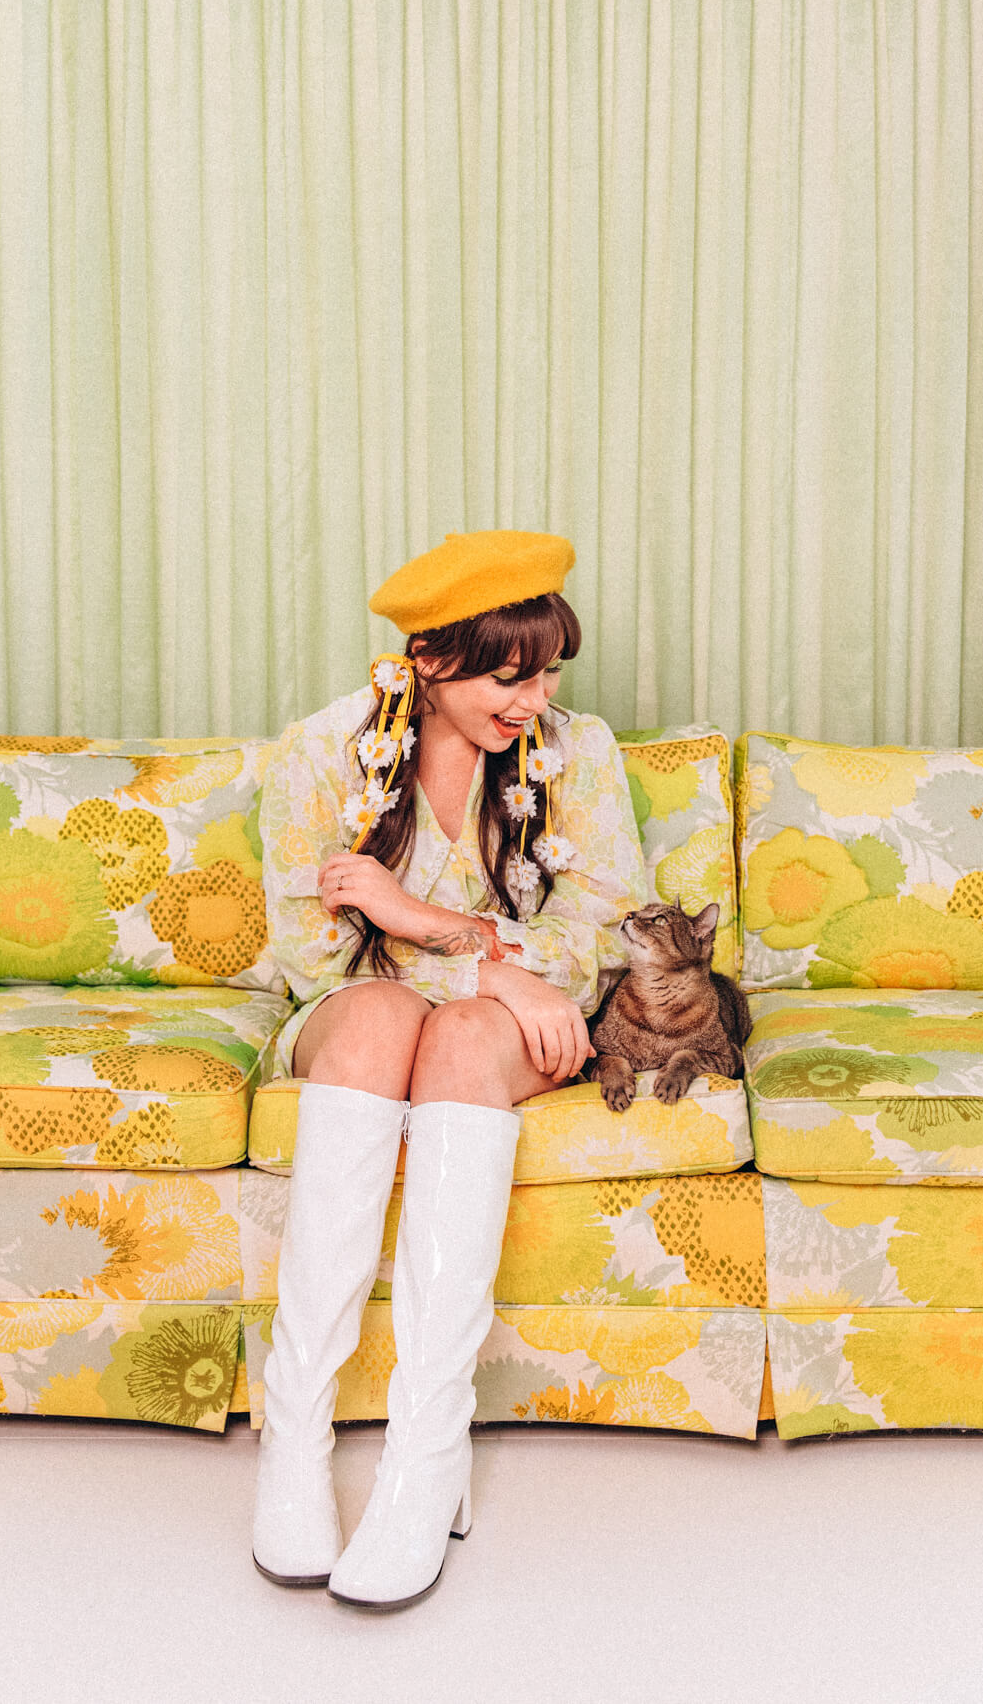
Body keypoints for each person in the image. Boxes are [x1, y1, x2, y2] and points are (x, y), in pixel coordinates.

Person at [251, 529, 647, 1609]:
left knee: (463, 1037)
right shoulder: (322, 752)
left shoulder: (583, 751)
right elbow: (313, 953)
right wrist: (492, 966)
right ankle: (294, 1441)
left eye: (549, 668)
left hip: (498, 1026)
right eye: (505, 676)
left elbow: (602, 926)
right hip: (363, 1012)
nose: (534, 698)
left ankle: (426, 1456)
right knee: (379, 1019)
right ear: (428, 662)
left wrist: (431, 929)